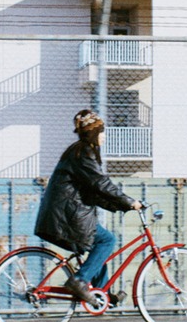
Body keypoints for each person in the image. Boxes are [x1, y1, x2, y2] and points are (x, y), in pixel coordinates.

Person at [33, 109, 142, 308]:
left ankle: (103, 294)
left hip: (65, 214)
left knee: (97, 249)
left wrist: (119, 205)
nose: (105, 135)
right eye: (102, 131)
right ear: (93, 133)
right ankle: (79, 281)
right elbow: (101, 183)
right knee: (106, 240)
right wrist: (129, 201)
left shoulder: (77, 151)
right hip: (67, 217)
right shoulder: (83, 153)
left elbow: (93, 192)